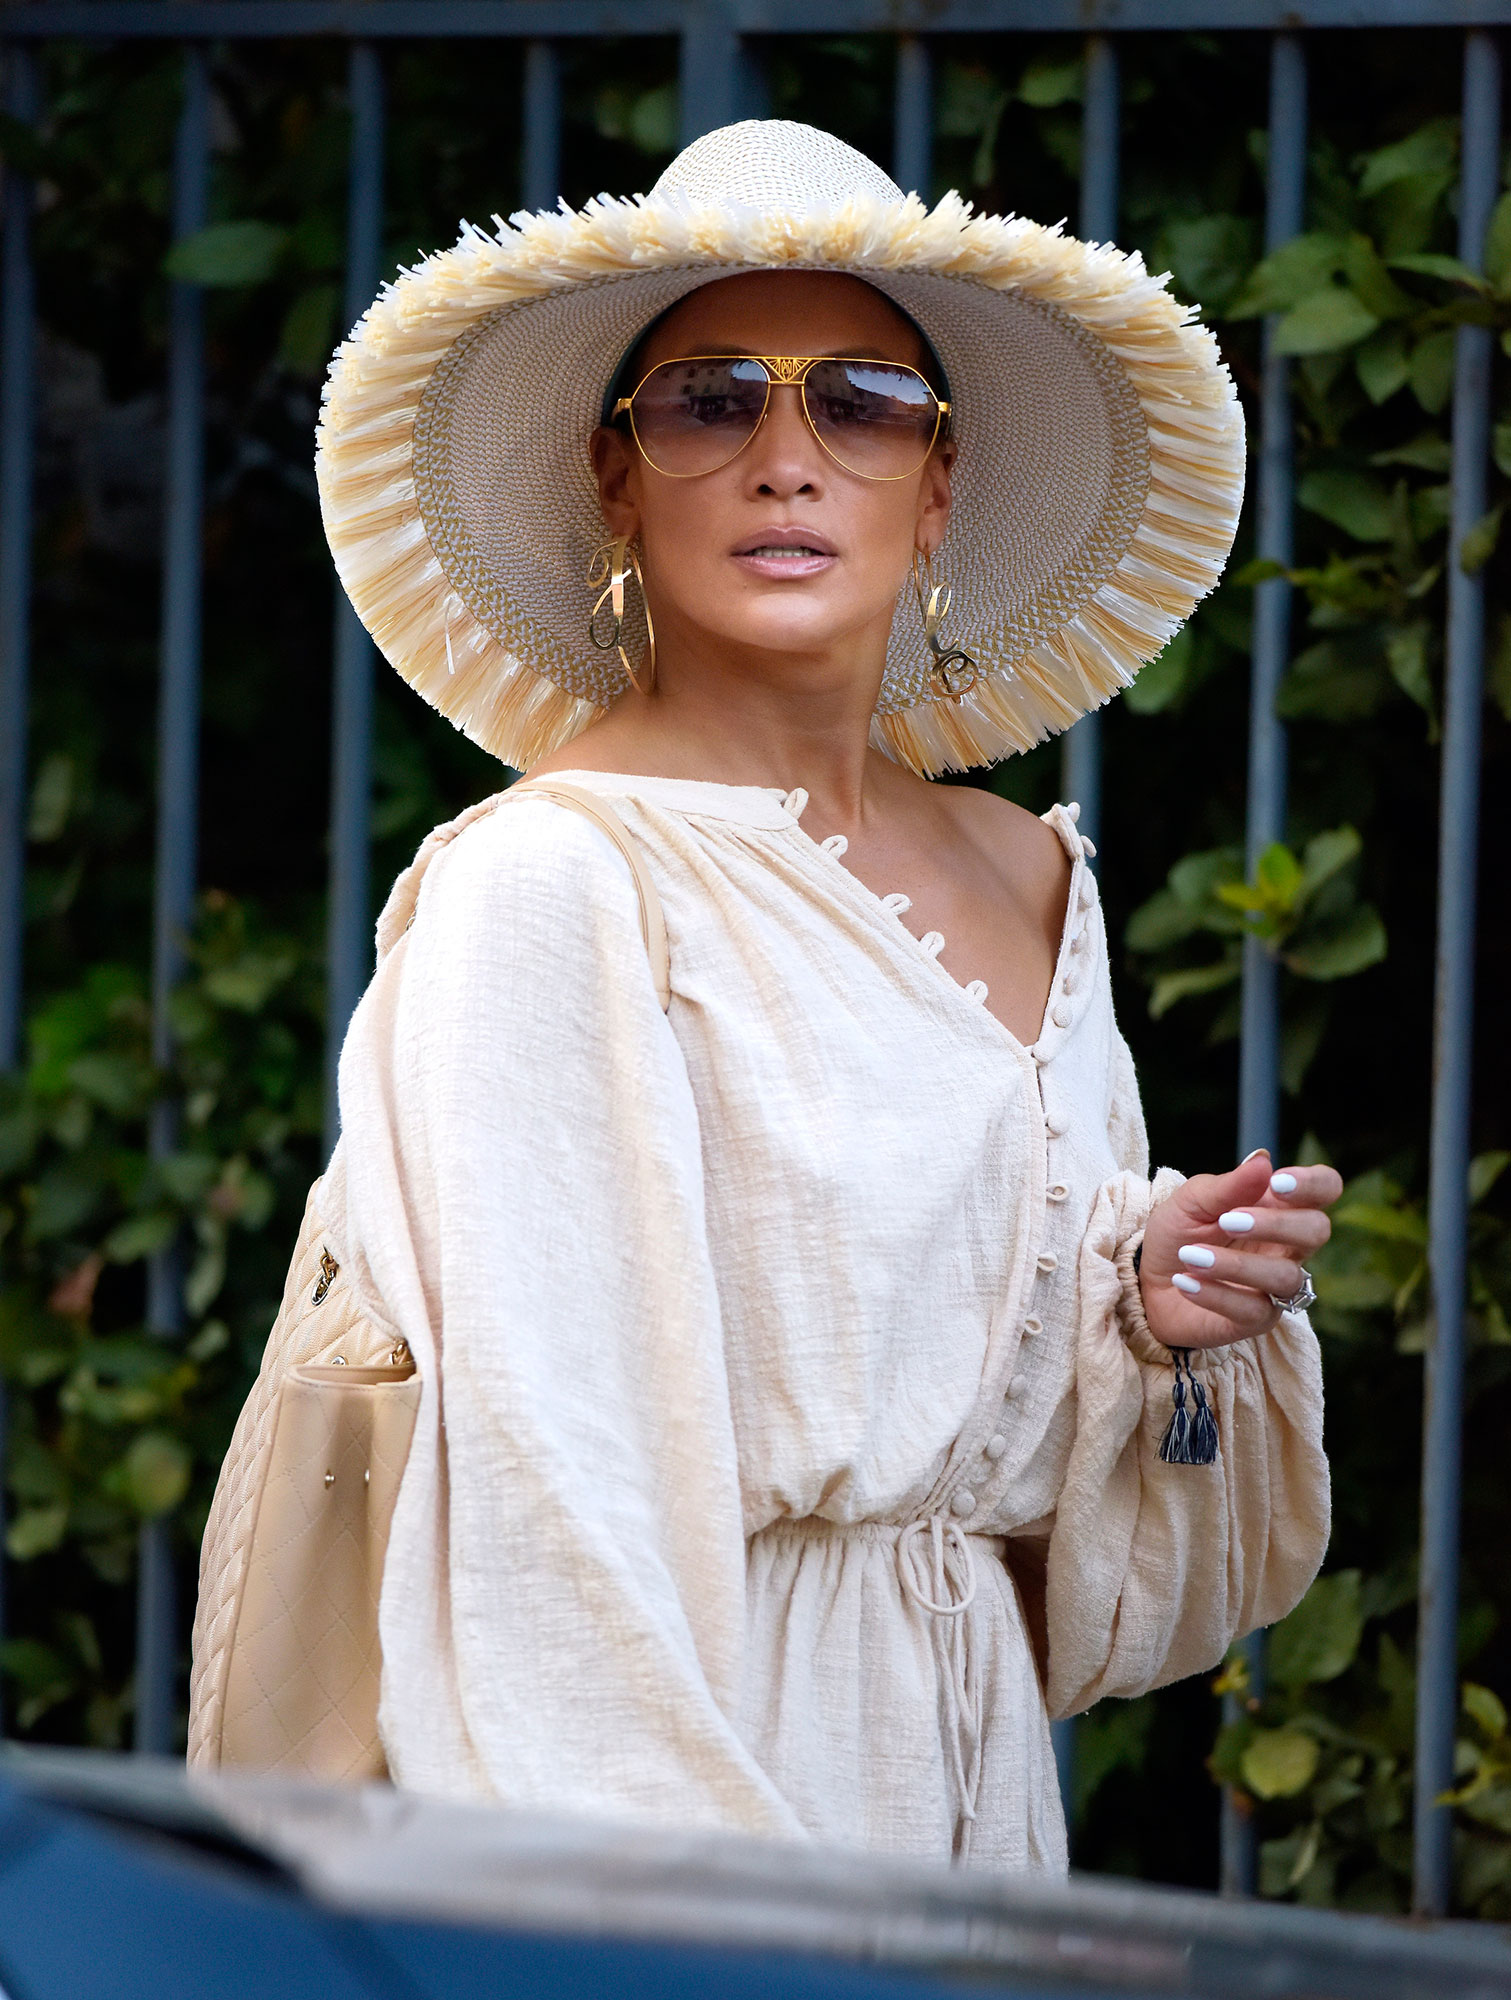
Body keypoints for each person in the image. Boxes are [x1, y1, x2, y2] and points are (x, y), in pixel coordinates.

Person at [313, 119, 1334, 1870]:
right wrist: (701, 1935)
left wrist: (1141, 1312)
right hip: (705, 1794)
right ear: (615, 474)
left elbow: (1048, 1551)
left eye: (860, 400)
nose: (788, 457)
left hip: (974, 1794)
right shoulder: (550, 889)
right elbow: (552, 1527)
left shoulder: (1031, 873)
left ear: (938, 485)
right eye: (711, 401)